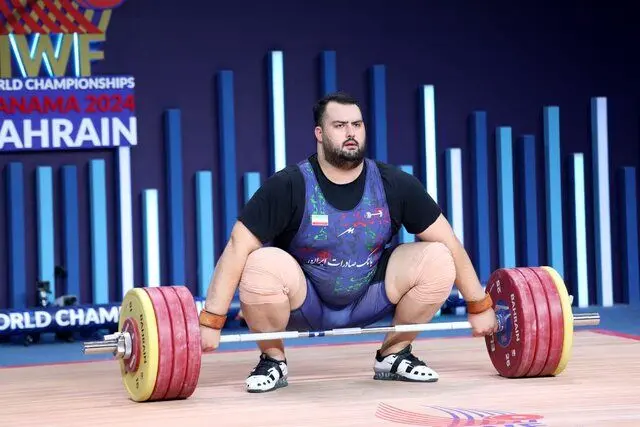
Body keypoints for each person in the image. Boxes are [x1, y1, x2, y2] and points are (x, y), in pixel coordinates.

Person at [198, 91, 498, 393]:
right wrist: (212, 320)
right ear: (319, 133)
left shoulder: (394, 184)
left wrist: (479, 304)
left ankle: (393, 354)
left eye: (357, 124)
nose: (350, 132)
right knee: (259, 262)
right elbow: (237, 245)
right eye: (340, 126)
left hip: (370, 296)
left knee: (439, 256)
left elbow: (450, 241)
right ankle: (273, 360)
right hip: (305, 302)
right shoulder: (289, 185)